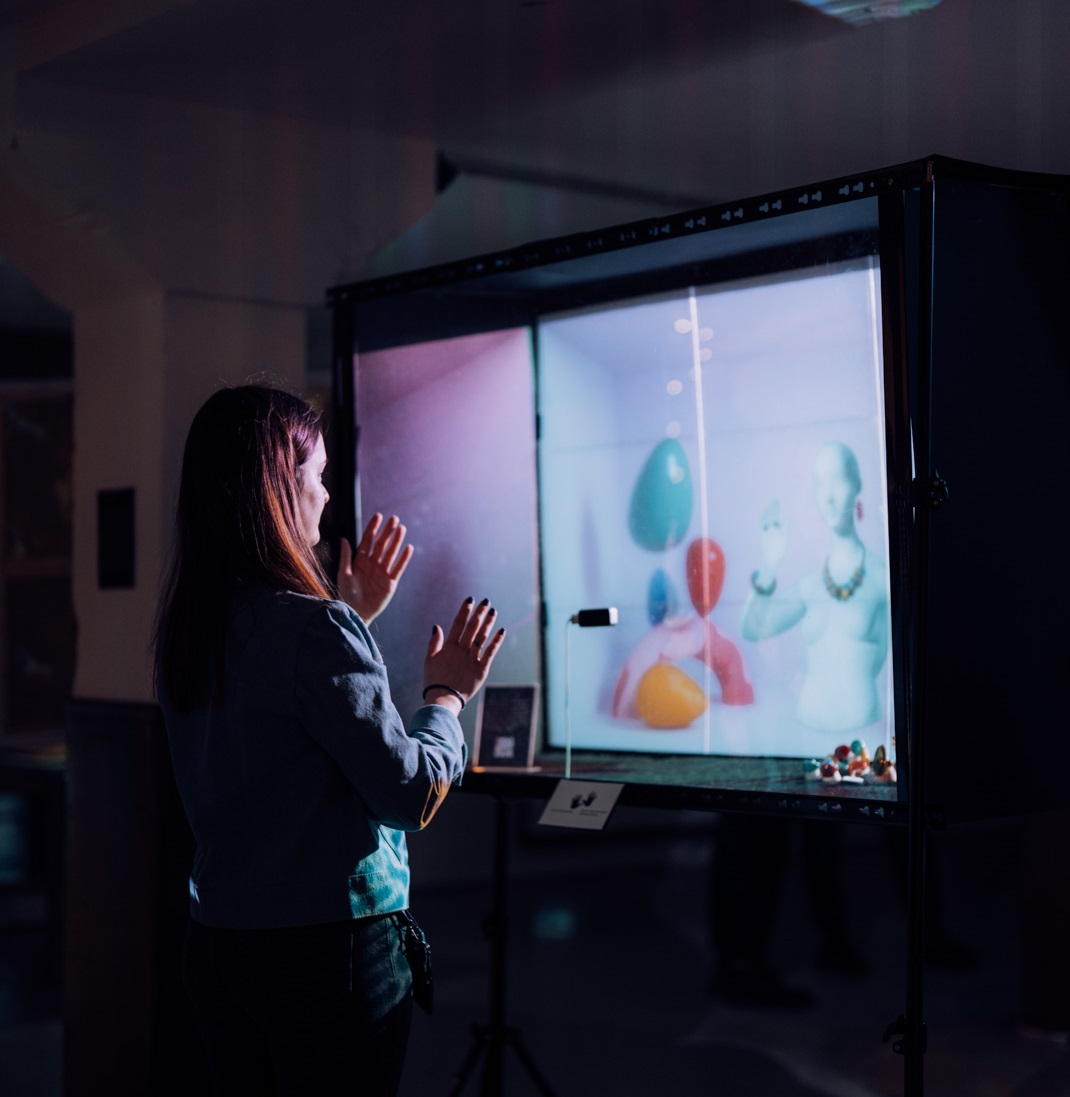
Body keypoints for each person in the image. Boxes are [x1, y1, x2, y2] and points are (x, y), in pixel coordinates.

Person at [153, 384, 505, 1096]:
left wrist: (349, 613)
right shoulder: (314, 629)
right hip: (328, 953)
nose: (326, 494)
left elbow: (282, 731)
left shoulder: (192, 629)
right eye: (315, 475)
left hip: (220, 943)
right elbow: (408, 791)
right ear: (278, 489)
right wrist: (447, 695)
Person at [741, 440, 889, 735]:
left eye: (838, 480)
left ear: (856, 484)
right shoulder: (810, 585)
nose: (829, 496)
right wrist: (769, 566)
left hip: (865, 736)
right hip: (804, 732)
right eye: (820, 484)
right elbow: (752, 629)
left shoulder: (881, 577)